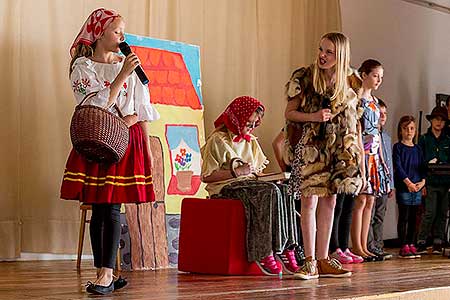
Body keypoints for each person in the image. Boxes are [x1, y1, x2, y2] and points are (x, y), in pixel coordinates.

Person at [60, 8, 160, 295]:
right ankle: (103, 271)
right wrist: (121, 75)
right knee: (98, 205)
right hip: (97, 137)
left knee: (113, 206)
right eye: (116, 31)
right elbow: (94, 105)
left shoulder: (128, 66)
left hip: (125, 140)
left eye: (123, 31)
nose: (122, 37)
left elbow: (140, 110)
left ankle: (106, 272)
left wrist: (148, 149)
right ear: (100, 33)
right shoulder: (83, 67)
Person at [285, 32, 363, 279]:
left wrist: (358, 155)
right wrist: (314, 117)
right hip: (312, 148)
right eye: (321, 49)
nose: (322, 55)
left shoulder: (353, 82)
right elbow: (290, 113)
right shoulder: (304, 77)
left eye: (329, 52)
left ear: (340, 55)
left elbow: (355, 124)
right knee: (309, 201)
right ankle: (309, 261)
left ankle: (322, 258)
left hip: (339, 151)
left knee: (330, 201)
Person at [201, 96, 299, 276]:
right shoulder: (217, 140)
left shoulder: (251, 141)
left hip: (249, 184)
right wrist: (236, 172)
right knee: (267, 192)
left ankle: (287, 247)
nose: (252, 127)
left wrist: (273, 178)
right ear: (236, 117)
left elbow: (258, 173)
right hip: (226, 188)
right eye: (249, 122)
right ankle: (263, 251)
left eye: (255, 123)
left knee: (285, 190)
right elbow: (207, 177)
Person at [350, 59, 389, 262]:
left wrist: (382, 160)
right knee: (361, 200)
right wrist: (360, 160)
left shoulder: (375, 102)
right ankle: (356, 245)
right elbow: (357, 131)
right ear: (364, 74)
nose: (378, 80)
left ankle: (365, 246)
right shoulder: (357, 100)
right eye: (375, 75)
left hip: (374, 156)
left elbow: (378, 135)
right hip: (361, 155)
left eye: (381, 77)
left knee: (371, 201)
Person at [416, 106, 450, 254]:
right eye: (436, 119)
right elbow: (419, 162)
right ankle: (421, 240)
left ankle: (438, 241)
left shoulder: (448, 140)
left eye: (442, 120)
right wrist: (422, 180)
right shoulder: (424, 139)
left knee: (442, 212)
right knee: (429, 212)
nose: (439, 122)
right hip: (429, 181)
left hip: (446, 182)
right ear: (431, 121)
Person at [393, 116, 425, 258]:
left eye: (411, 128)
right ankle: (403, 244)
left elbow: (423, 167)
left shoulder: (418, 149)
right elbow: (398, 167)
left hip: (417, 186)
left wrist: (423, 182)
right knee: (404, 216)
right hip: (404, 186)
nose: (409, 131)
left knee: (414, 217)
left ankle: (412, 243)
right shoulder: (398, 147)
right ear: (400, 130)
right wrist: (408, 183)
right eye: (405, 129)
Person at [367, 99, 394, 260]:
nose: (383, 116)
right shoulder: (371, 134)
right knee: (369, 215)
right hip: (373, 179)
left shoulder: (387, 137)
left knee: (380, 216)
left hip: (384, 182)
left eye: (385, 114)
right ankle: (369, 246)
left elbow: (388, 162)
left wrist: (390, 184)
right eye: (380, 113)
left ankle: (378, 245)